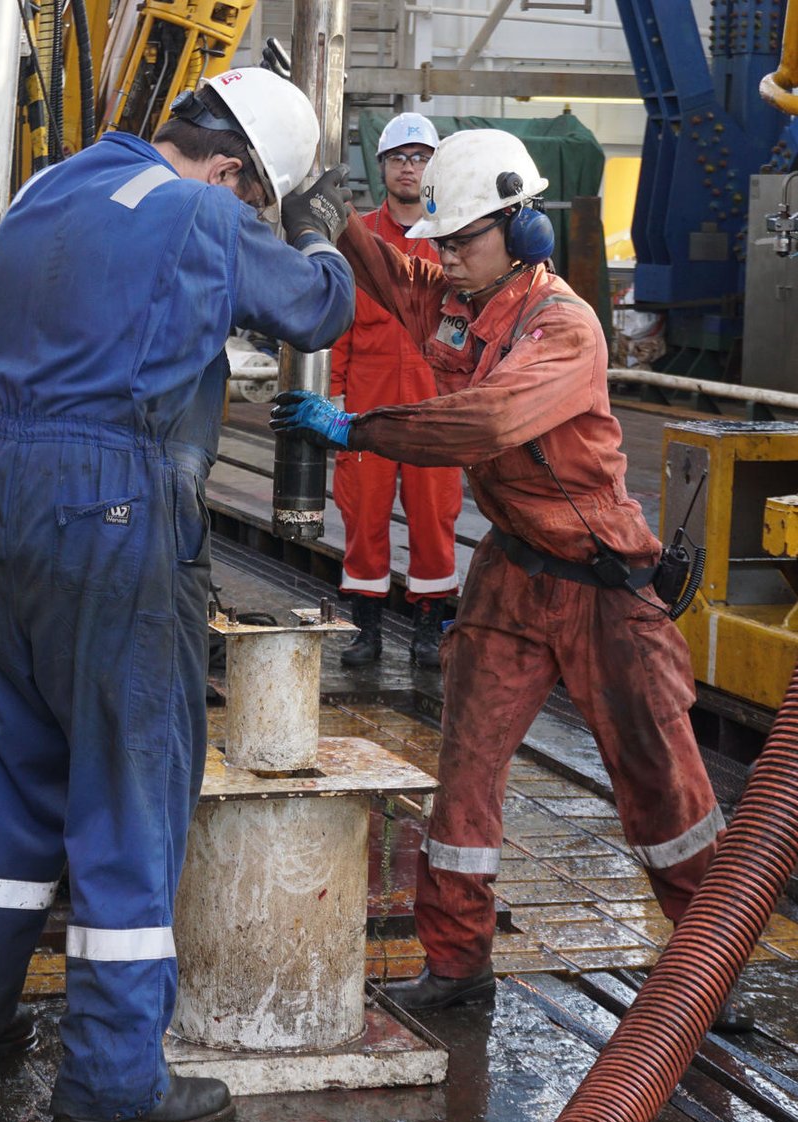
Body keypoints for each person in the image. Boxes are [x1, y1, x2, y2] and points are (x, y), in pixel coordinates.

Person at [0, 66, 355, 1122]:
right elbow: (314, 304)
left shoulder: (48, 185)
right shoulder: (202, 210)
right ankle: (113, 1085)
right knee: (126, 780)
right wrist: (322, 228)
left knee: (0, 768)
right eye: (260, 193)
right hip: (109, 503)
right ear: (239, 170)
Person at [270, 128, 749, 1029]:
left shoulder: (561, 327)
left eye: (465, 241)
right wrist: (329, 219)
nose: (447, 259)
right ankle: (456, 964)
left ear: (522, 230)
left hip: (602, 585)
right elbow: (393, 274)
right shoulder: (458, 302)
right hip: (512, 575)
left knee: (662, 787)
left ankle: (705, 974)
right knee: (466, 772)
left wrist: (355, 428)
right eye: (442, 243)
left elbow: (482, 421)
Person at [330, 112, 463, 668]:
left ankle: (430, 630)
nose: (409, 168)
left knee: (434, 516)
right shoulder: (355, 239)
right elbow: (335, 324)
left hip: (435, 401)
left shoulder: (457, 236)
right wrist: (334, 397)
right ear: (381, 166)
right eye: (399, 158)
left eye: (420, 158)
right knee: (363, 514)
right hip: (368, 399)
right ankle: (368, 630)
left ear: (434, 168)